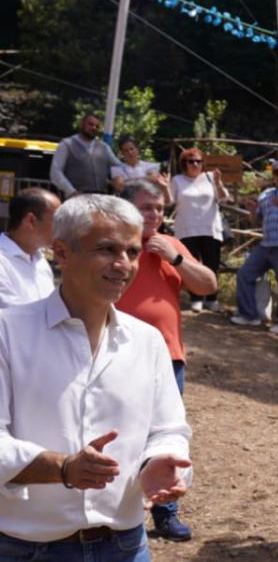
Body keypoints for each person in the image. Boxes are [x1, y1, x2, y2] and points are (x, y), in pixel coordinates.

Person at [0, 194, 193, 562]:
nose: (124, 263)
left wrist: (164, 463)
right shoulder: (9, 332)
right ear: (61, 252)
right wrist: (59, 468)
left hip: (122, 559)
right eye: (107, 248)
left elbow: (170, 425)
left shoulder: (145, 341)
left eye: (132, 251)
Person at [117, 179, 218, 542]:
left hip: (168, 356)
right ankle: (117, 507)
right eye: (147, 207)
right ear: (126, 207)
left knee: (165, 432)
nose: (155, 214)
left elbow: (208, 285)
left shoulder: (171, 245)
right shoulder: (116, 245)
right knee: (119, 429)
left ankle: (165, 512)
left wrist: (175, 258)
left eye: (159, 208)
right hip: (117, 354)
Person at [231, 159, 278, 335]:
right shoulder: (266, 194)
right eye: (277, 173)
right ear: (273, 175)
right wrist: (251, 210)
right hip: (266, 245)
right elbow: (256, 219)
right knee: (245, 274)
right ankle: (249, 315)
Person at [169, 147, 232, 312]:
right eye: (191, 161)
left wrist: (218, 182)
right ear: (185, 163)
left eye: (199, 161)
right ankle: (195, 297)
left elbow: (224, 197)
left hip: (210, 228)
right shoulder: (177, 180)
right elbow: (169, 201)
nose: (195, 164)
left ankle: (212, 298)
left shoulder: (211, 177)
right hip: (186, 228)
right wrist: (162, 186)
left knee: (212, 264)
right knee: (190, 264)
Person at [0, 186, 60, 308]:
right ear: (31, 221)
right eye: (57, 221)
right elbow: (13, 317)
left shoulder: (40, 260)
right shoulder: (2, 261)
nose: (62, 228)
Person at [49, 112, 126, 198]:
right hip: (76, 197)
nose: (94, 128)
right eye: (91, 124)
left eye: (97, 126)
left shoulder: (104, 147)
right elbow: (55, 172)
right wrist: (71, 191)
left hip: (100, 197)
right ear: (82, 124)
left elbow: (118, 165)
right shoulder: (66, 144)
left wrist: (118, 177)